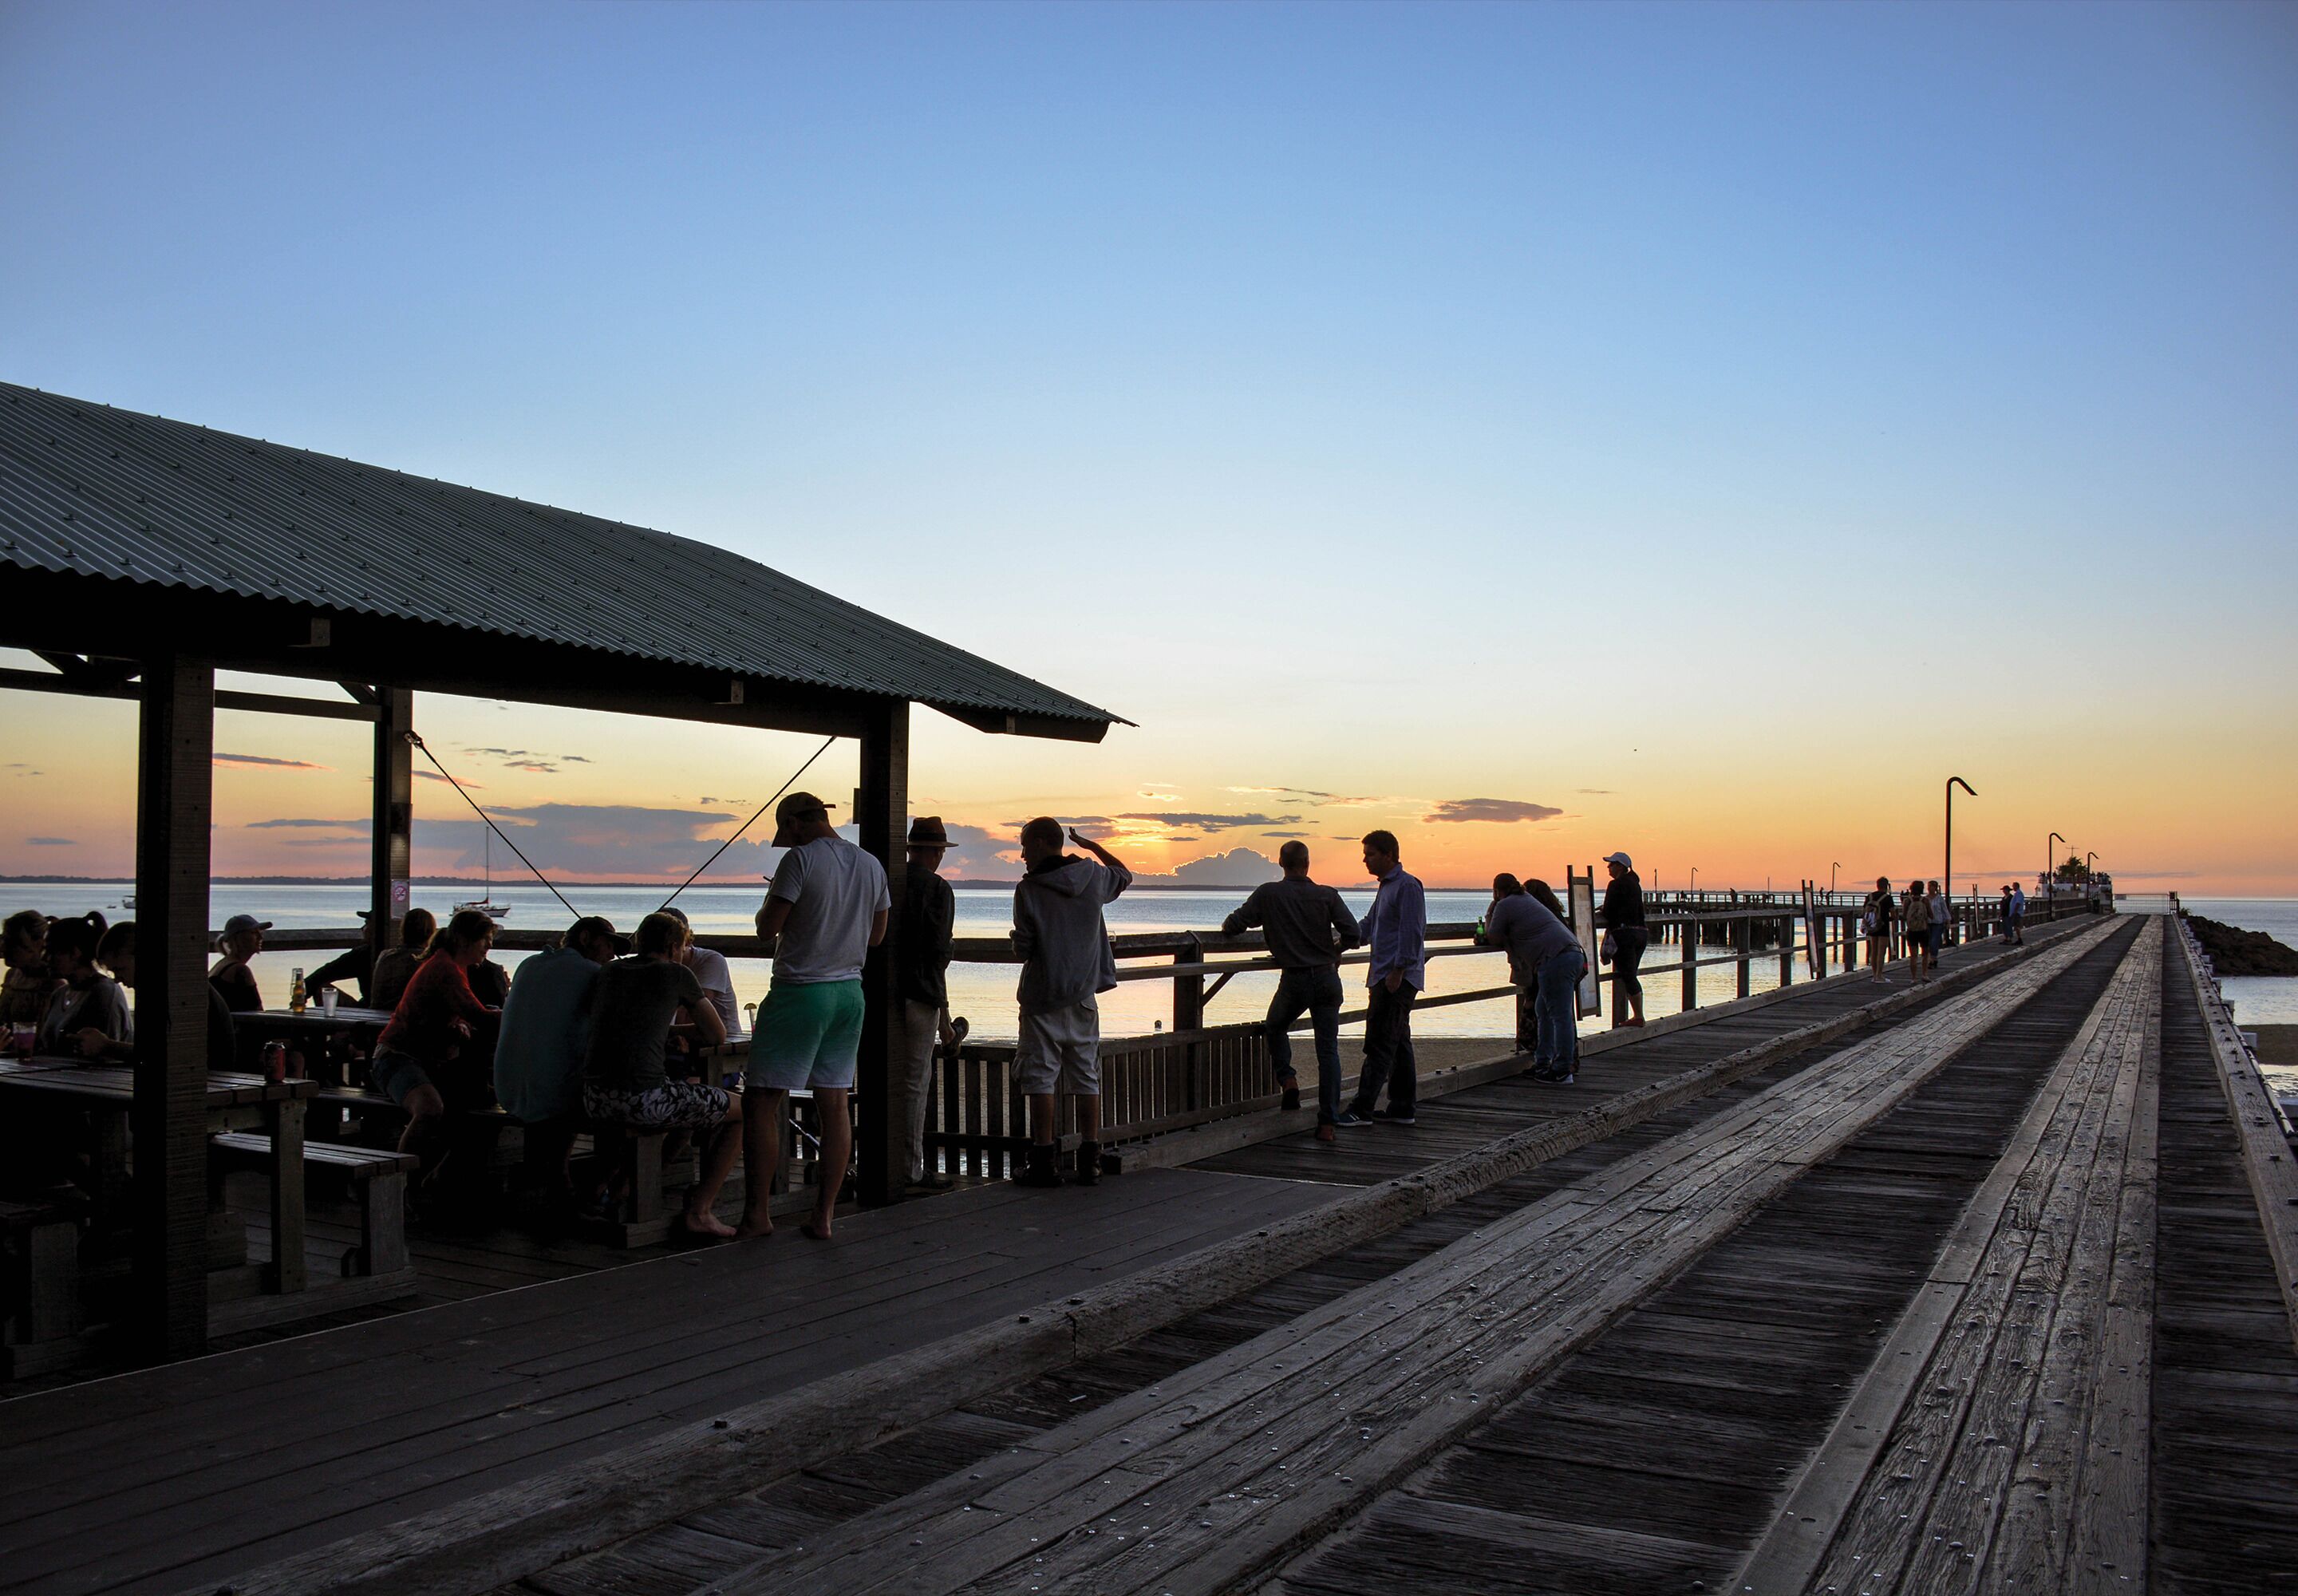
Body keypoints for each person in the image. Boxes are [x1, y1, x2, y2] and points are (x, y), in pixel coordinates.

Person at [740, 792, 889, 1240]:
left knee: (762, 1101)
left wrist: (774, 898)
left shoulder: (799, 861)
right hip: (849, 994)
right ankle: (823, 1216)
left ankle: (757, 1215)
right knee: (835, 1104)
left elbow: (768, 929)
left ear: (795, 825)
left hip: (801, 991)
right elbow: (877, 937)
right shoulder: (870, 864)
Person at [582, 911, 740, 1240]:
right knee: (744, 1110)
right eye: (682, 947)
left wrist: (660, 1032)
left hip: (594, 1098)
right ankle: (701, 1210)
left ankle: (619, 1191)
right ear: (673, 946)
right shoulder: (676, 973)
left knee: (683, 1103)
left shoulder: (609, 971)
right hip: (643, 1099)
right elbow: (717, 1035)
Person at [1009, 817, 1132, 1187]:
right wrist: (1091, 846)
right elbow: (1123, 873)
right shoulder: (1093, 878)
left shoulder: (1028, 889)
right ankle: (1090, 1161)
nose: (1022, 855)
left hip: (1042, 996)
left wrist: (1020, 942)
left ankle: (1044, 1163)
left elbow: (1025, 948)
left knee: (1040, 1077)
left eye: (1026, 846)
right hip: (1082, 996)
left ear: (1045, 843)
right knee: (1085, 1075)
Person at [1222, 841, 1360, 1142]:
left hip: (1295, 980)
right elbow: (1354, 934)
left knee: (1275, 1026)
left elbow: (1233, 925)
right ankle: (1327, 1124)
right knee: (1328, 1052)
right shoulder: (1327, 895)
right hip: (1327, 978)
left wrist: (1266, 920)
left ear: (1281, 863)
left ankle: (1288, 1080)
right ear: (1307, 863)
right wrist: (1335, 950)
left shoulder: (1269, 894)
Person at [496, 916, 627, 1203]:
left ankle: (555, 1176)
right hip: (550, 1095)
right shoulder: (593, 973)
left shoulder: (528, 965)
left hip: (506, 1089)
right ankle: (595, 1188)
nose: (611, 956)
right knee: (620, 1111)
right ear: (586, 939)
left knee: (563, 1073)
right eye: (607, 946)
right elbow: (614, 1029)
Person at [368, 910, 499, 1177]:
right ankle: (397, 1186)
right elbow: (480, 1017)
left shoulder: (451, 965)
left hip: (424, 1061)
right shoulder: (445, 970)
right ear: (464, 940)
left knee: (479, 1107)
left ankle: (435, 1182)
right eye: (485, 939)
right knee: (430, 1109)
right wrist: (524, 1014)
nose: (490, 945)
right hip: (395, 1058)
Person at [896, 816, 968, 1190]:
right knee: (914, 1083)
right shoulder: (938, 889)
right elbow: (938, 952)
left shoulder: (890, 882)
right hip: (920, 995)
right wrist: (942, 1011)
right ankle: (909, 1169)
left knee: (880, 1077)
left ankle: (882, 1161)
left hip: (879, 993)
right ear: (937, 852)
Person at [1337, 830, 1425, 1128]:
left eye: (1371, 854)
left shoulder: (1408, 886)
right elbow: (1370, 925)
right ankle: (1403, 1108)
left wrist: (1398, 971)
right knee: (1398, 1041)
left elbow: (1412, 932)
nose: (1365, 860)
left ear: (1389, 854)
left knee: (1379, 1043)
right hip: (1383, 974)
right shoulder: (1386, 888)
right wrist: (1340, 940)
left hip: (1395, 977)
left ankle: (1361, 1108)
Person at [1482, 877, 1585, 1083]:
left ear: (1496, 891)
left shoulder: (1505, 904)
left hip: (1555, 959)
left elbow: (1493, 936)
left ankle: (1563, 1070)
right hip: (1572, 954)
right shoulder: (1527, 899)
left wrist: (1489, 914)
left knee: (1559, 1015)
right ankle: (1543, 1063)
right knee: (1544, 1012)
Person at [37, 914, 130, 1055]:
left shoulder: (104, 993)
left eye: (51, 951)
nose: (44, 958)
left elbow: (105, 1057)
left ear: (75, 953)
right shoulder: (59, 994)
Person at [661, 905, 740, 1037]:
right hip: (681, 1037)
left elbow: (689, 1012)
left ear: (685, 941)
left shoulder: (711, 960)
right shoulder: (659, 965)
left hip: (725, 1041)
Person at [1599, 852, 1647, 1028]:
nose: (1608, 867)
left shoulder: (1615, 884)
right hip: (1641, 933)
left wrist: (1601, 911)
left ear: (1620, 866)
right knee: (1631, 974)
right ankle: (1636, 1015)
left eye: (1611, 864)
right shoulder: (1635, 884)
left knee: (1628, 976)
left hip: (1625, 935)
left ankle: (1638, 1016)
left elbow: (1609, 911)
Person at [370, 909, 437, 1013]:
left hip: (378, 1013)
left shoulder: (385, 955)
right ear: (431, 932)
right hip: (405, 1018)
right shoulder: (427, 960)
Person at [2, 909, 55, 1033]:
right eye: (3, 940)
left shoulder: (53, 983)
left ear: (37, 944)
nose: (3, 947)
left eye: (12, 943)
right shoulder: (12, 976)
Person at [207, 914, 270, 1013]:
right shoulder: (240, 970)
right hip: (236, 1027)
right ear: (238, 938)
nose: (260, 937)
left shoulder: (221, 965)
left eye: (260, 932)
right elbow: (257, 1012)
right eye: (254, 933)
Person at [1863, 878, 1896, 981]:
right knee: (1881, 952)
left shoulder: (1870, 896)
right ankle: (1879, 975)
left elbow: (1864, 911)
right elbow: (1893, 913)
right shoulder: (1887, 898)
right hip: (1883, 925)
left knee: (1874, 951)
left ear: (1877, 885)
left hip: (1872, 926)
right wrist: (1891, 918)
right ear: (1886, 886)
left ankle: (1874, 975)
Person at [1902, 877, 1933, 983]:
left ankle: (1913, 978)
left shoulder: (1907, 901)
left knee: (1913, 956)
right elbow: (1931, 915)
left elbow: (1905, 915)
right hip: (1923, 929)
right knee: (1925, 954)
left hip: (1911, 930)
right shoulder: (1925, 900)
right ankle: (1924, 974)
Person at [1927, 880, 1949, 962]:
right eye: (1928, 886)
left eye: (1931, 886)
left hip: (1938, 923)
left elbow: (1945, 910)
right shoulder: (1925, 899)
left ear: (1935, 888)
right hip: (1928, 923)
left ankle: (1934, 958)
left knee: (1934, 941)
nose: (1929, 888)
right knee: (1928, 942)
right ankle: (1930, 959)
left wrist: (1948, 921)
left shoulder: (1939, 898)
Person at [2008, 880, 2027, 945]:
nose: (2013, 888)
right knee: (2015, 926)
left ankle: (2019, 939)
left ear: (2016, 886)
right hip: (2016, 912)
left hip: (2017, 913)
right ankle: (2017, 938)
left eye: (2013, 886)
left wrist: (2015, 911)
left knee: (2016, 926)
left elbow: (2018, 903)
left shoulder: (2019, 893)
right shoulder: (2017, 893)